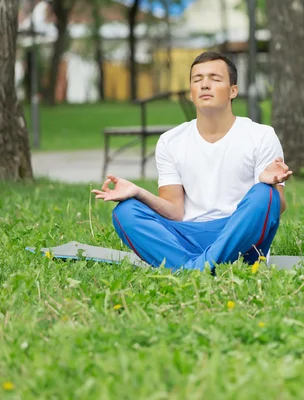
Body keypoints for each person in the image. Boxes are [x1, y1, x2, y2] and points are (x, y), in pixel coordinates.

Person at [92, 51, 292, 273]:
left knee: (266, 195)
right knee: (125, 212)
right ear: (191, 92)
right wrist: (137, 192)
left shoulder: (261, 136)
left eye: (215, 79)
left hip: (240, 236)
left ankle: (191, 270)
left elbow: (277, 206)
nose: (205, 85)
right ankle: (202, 267)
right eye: (198, 80)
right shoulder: (170, 141)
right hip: (187, 235)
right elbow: (175, 211)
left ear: (233, 91)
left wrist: (268, 185)